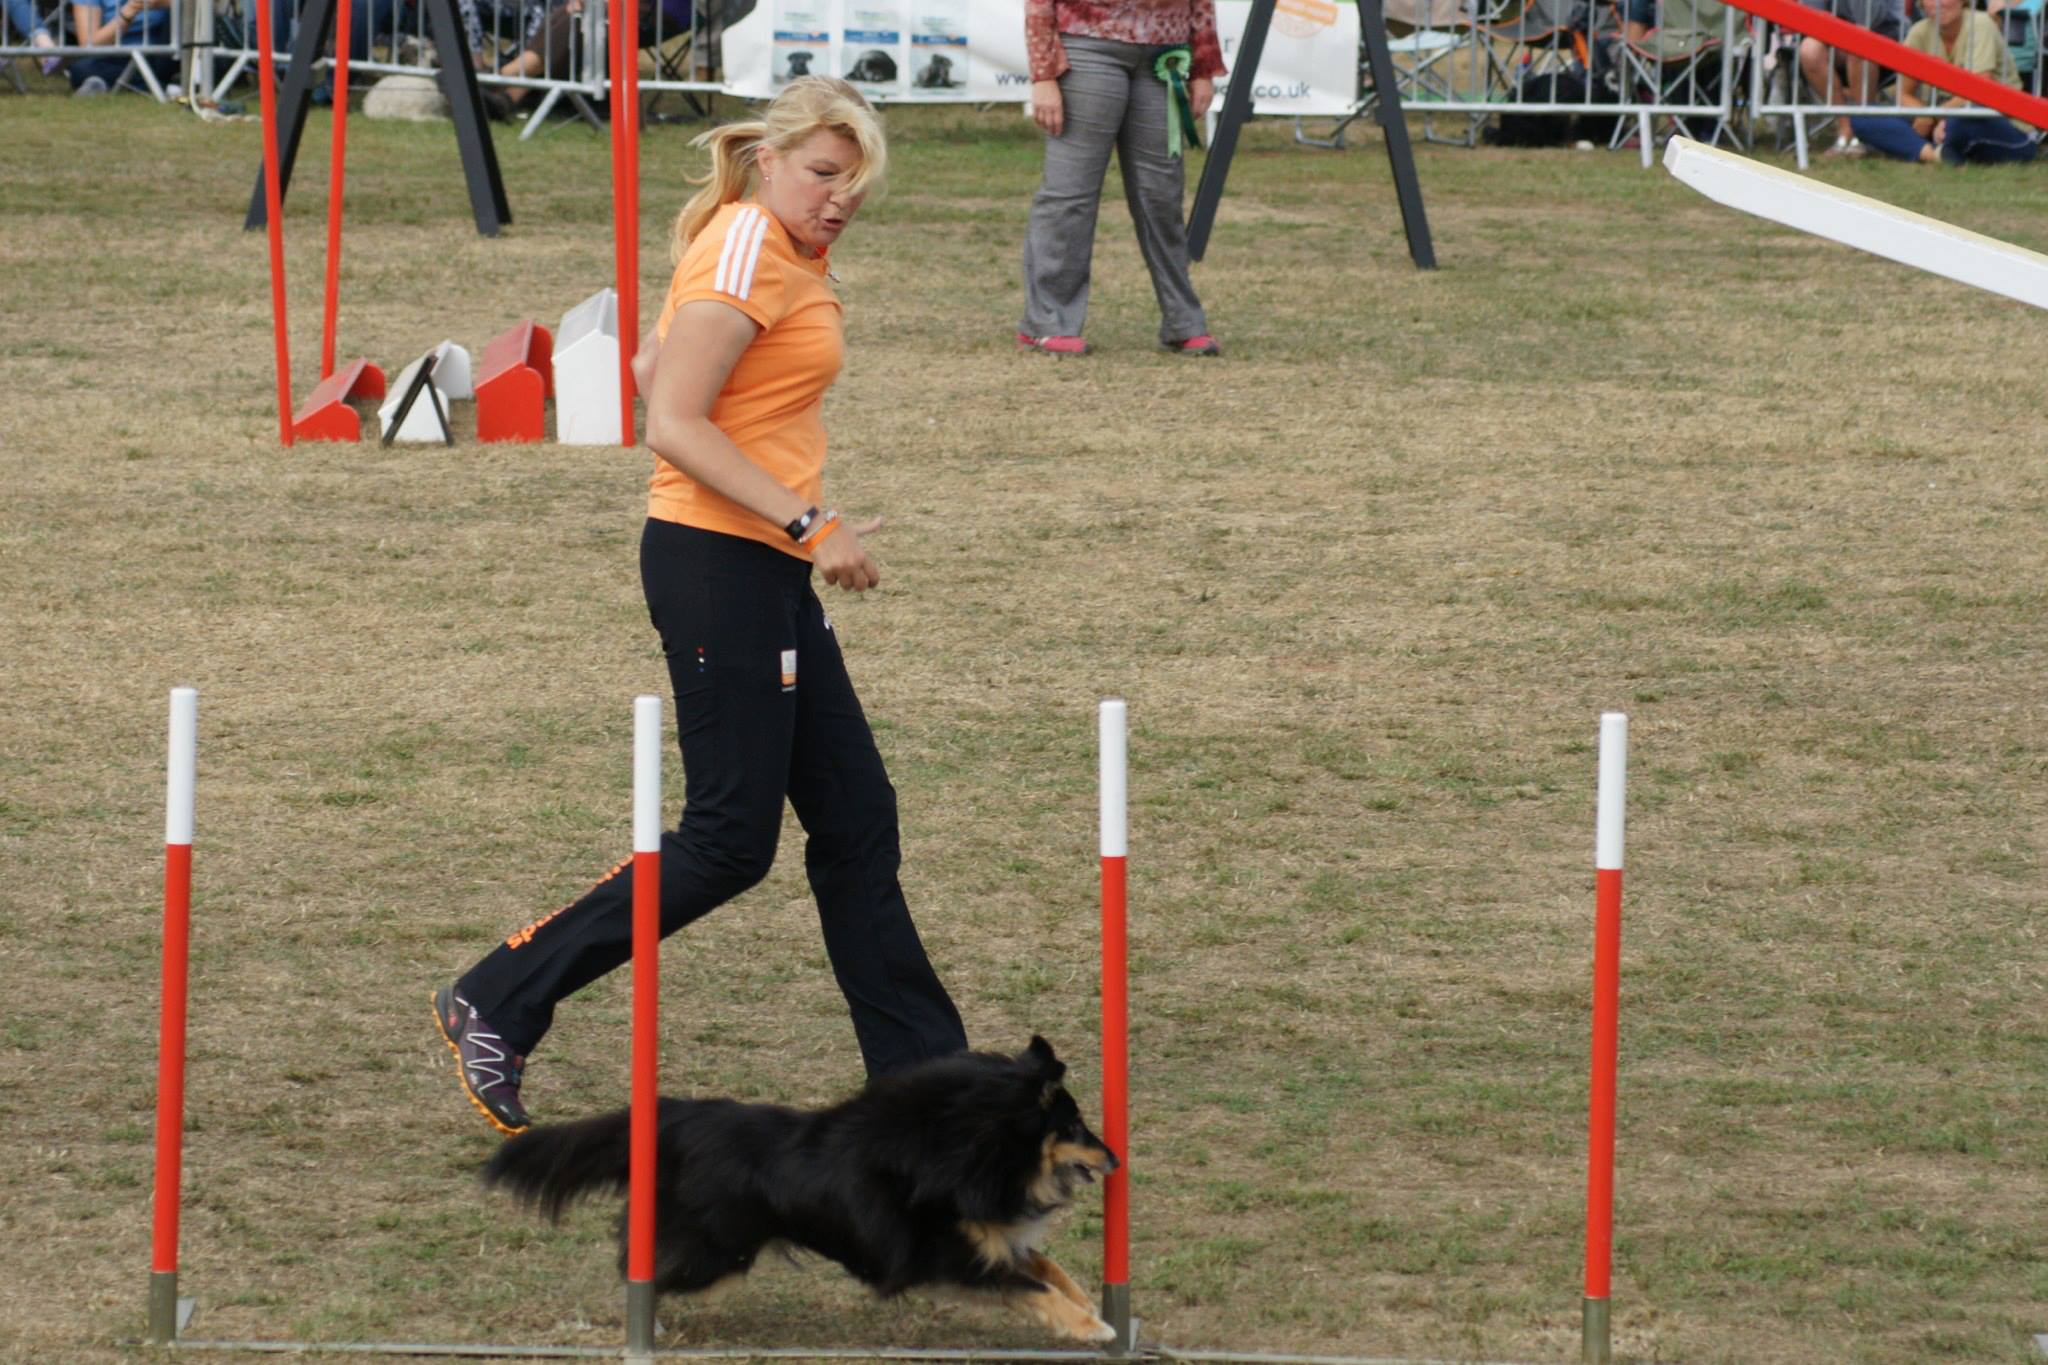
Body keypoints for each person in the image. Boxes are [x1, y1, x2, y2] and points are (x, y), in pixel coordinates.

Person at [435, 75, 970, 1137]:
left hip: (760, 563)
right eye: (821, 173)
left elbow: (662, 371)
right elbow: (672, 423)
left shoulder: (775, 251)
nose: (838, 196)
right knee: (729, 840)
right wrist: (811, 523)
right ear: (766, 160)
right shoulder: (742, 245)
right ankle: (497, 996)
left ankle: (928, 1092)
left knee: (856, 819)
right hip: (716, 561)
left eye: (854, 182)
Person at [1018, 0, 1226, 357]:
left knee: (1162, 196)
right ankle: (1048, 322)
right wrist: (1044, 74)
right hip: (1086, 46)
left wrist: (1202, 66)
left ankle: (1183, 322)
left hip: (1167, 55)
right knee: (1070, 194)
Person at [1849, 0, 2038, 162]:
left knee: (1963, 120)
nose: (1937, 3)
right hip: (1941, 123)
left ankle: (1924, 146)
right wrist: (1922, 114)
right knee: (1862, 115)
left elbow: (1981, 90)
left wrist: (1935, 116)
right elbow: (1902, 92)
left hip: (2001, 123)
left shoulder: (1980, 24)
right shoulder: (1919, 31)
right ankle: (1934, 154)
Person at [1795, 0, 1907, 154]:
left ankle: (1864, 129)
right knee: (1810, 49)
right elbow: (1812, 17)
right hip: (1837, 38)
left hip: (1887, 39)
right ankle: (1846, 127)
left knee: (1858, 43)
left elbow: (1868, 19)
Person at [66, 0, 176, 94]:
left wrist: (167, 3)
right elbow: (89, 45)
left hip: (163, 53)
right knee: (80, 70)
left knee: (182, 9)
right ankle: (162, 85)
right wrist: (129, 12)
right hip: (117, 57)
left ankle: (160, 83)